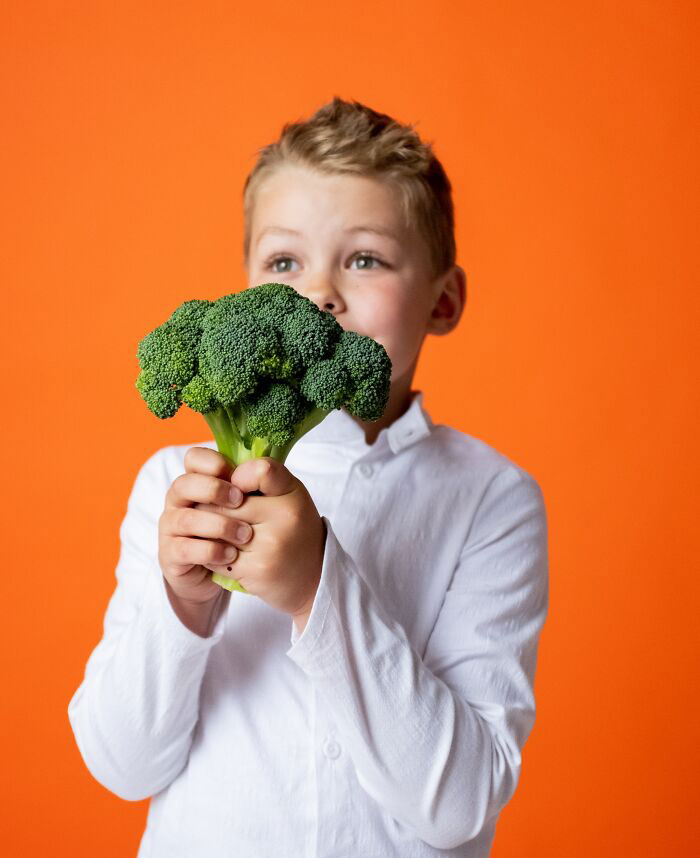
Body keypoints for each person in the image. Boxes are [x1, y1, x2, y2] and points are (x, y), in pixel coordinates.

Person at [68, 97, 549, 857]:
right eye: (284, 262)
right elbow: (121, 765)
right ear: (247, 287)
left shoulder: (493, 498)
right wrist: (184, 604)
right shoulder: (177, 487)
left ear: (444, 299)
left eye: (366, 259)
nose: (320, 292)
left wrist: (317, 586)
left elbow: (458, 805)